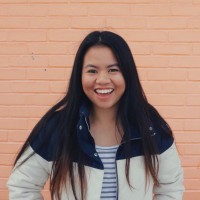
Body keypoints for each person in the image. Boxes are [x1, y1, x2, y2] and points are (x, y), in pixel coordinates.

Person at [7, 31, 184, 200]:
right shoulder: (57, 127)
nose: (102, 79)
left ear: (127, 73)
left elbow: (171, 188)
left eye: (113, 70)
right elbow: (23, 186)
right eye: (92, 71)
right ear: (79, 75)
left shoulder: (150, 126)